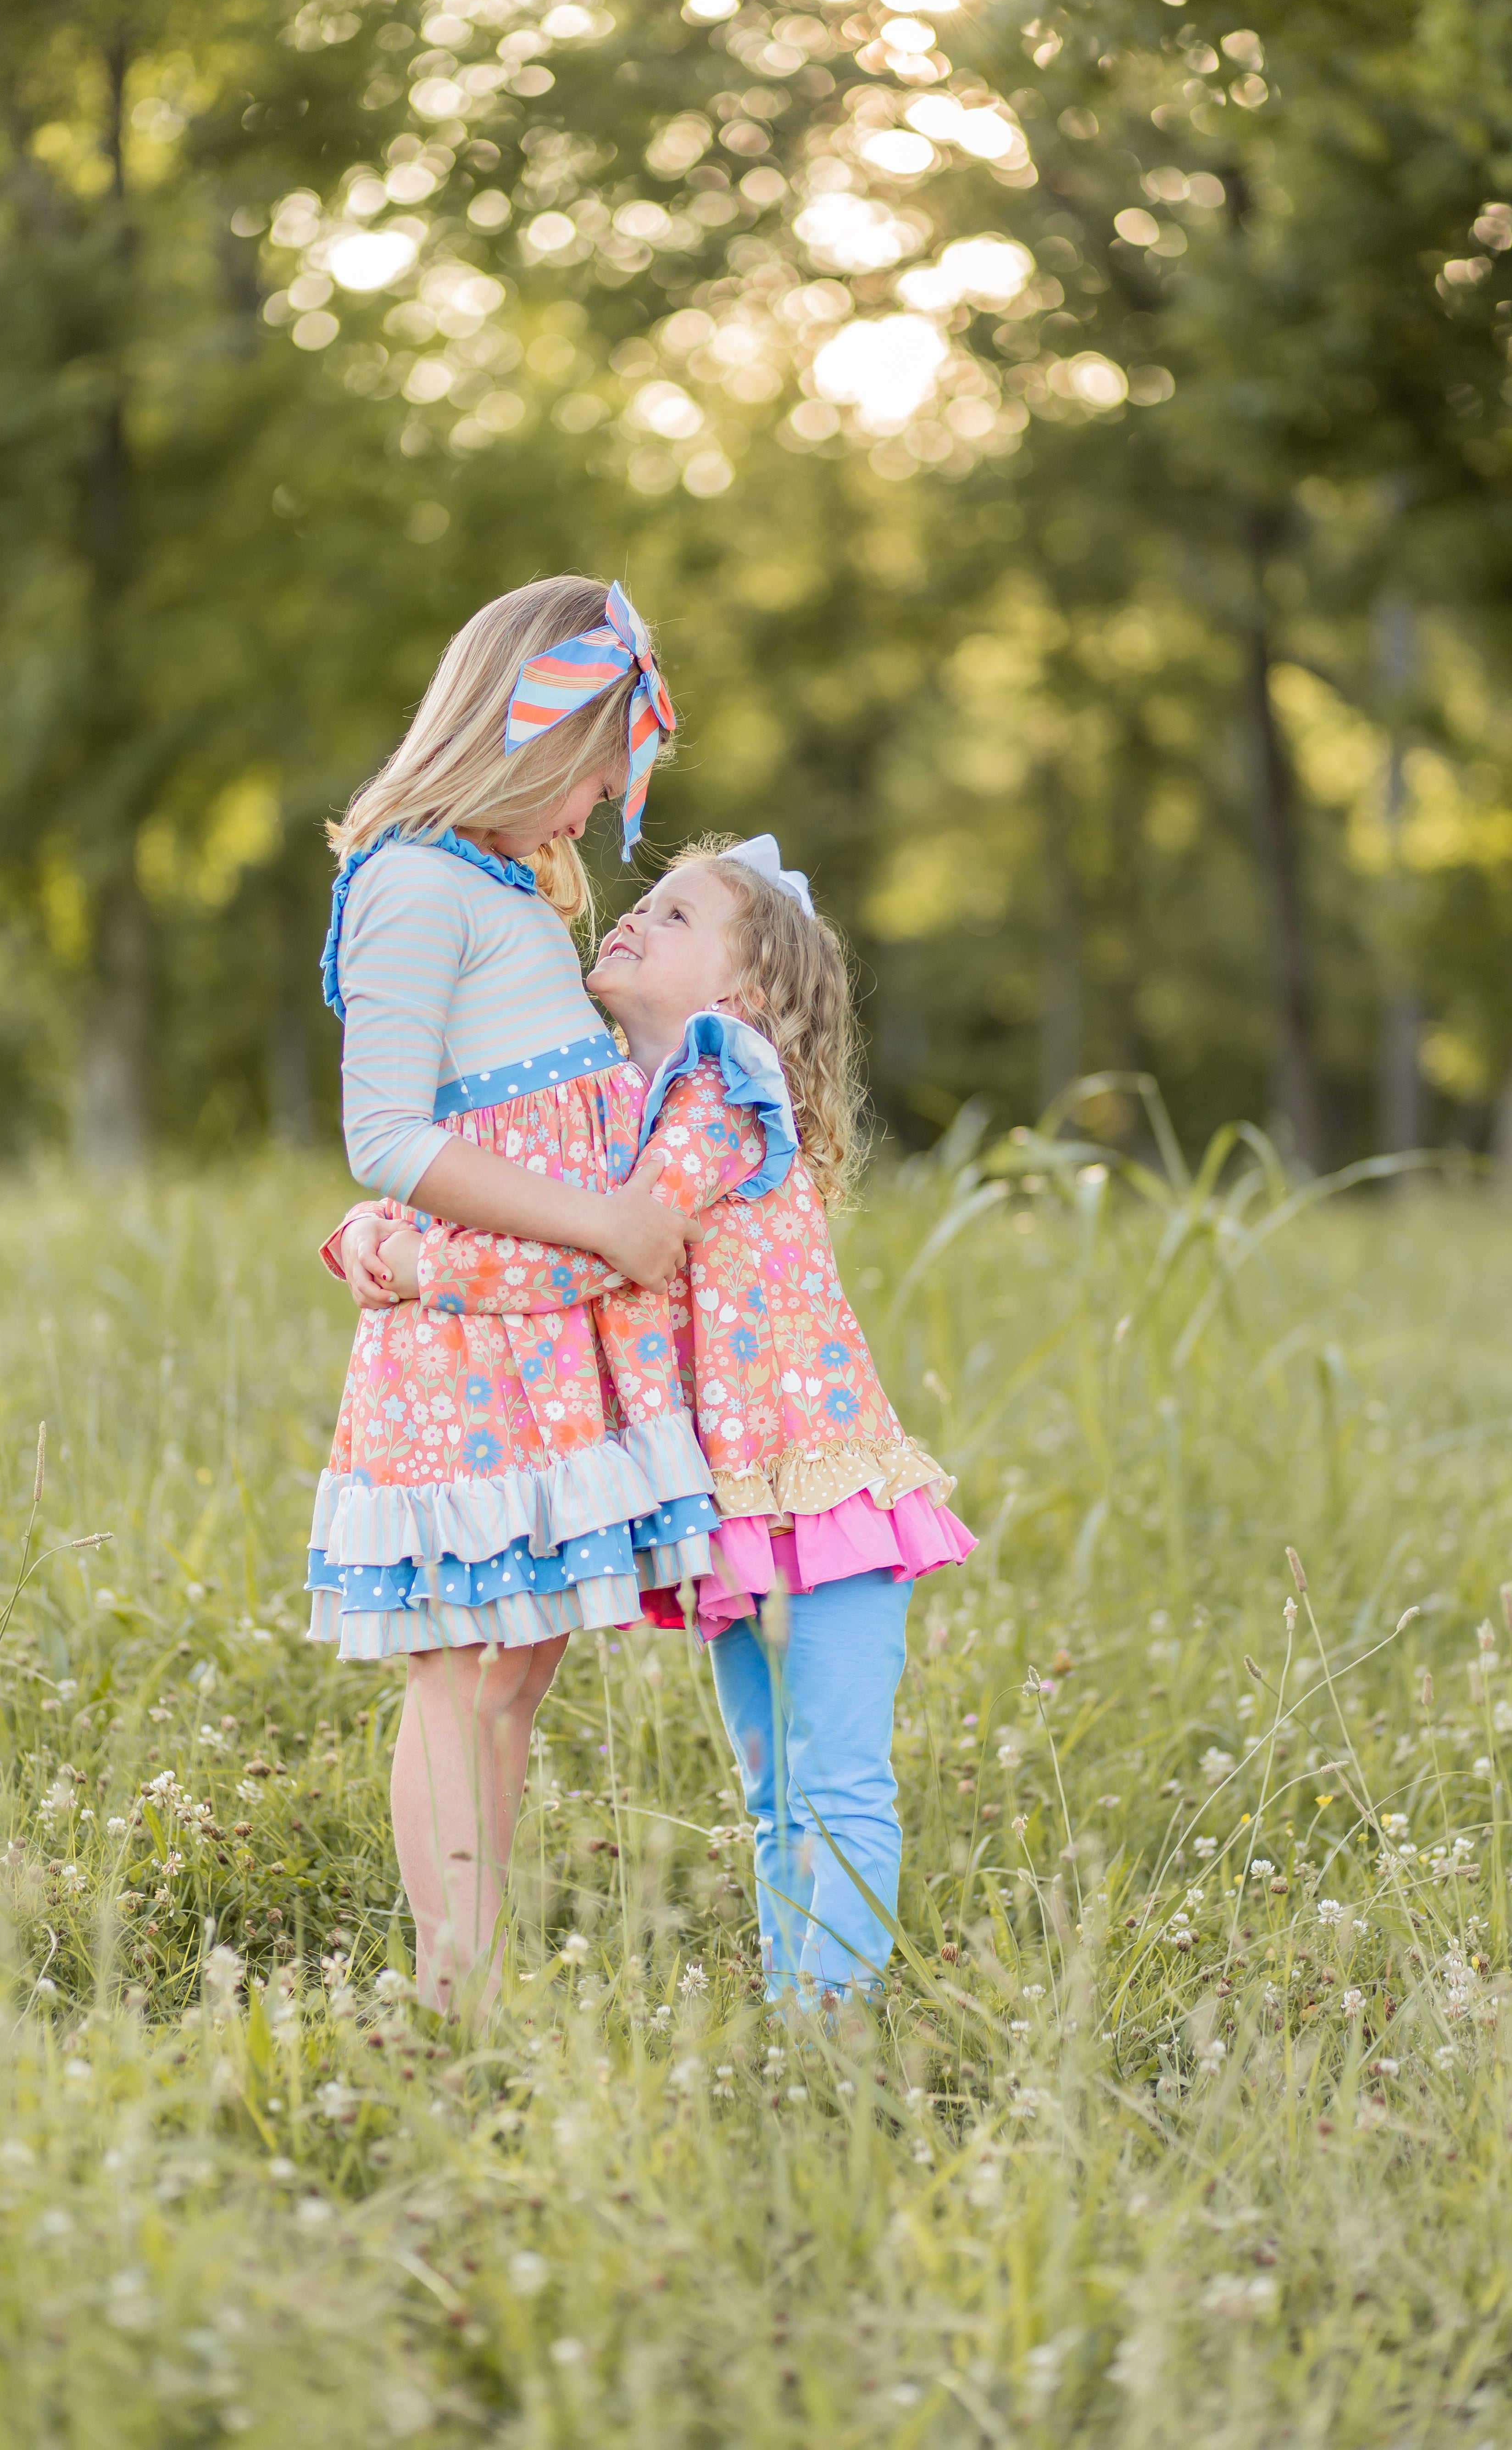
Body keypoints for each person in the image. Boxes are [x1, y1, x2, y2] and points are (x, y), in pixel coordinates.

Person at [372, 834, 976, 2001]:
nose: (635, 917)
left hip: (822, 1494)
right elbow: (519, 1191)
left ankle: (832, 2036)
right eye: (641, 902)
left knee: (831, 1777)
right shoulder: (611, 1096)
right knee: (773, 1788)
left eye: (677, 916)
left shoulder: (720, 1083)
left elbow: (601, 1251)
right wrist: (381, 1223)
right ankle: (804, 2016)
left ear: (742, 996)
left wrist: (416, 1264)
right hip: (742, 1509)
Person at [311, 575, 716, 2014]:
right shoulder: (412, 883)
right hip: (475, 1341)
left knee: (519, 1664)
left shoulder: (510, 888)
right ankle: (450, 1984)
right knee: (465, 1666)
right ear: (534, 737)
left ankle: (472, 1969)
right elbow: (391, 1134)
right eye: (610, 758)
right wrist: (599, 1220)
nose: (616, 793)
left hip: (549, 1335)